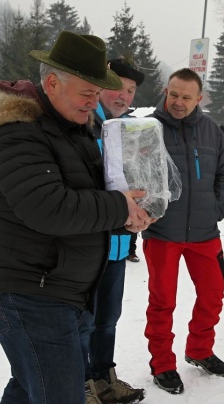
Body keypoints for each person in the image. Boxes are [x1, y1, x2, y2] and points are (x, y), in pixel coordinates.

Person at [0, 31, 154, 404]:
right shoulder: (17, 133)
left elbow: (88, 198)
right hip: (29, 291)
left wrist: (125, 215)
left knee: (28, 385)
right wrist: (118, 207)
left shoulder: (73, 130)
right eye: (88, 93)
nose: (94, 103)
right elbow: (48, 208)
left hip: (63, 290)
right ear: (53, 83)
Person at [143, 68, 224, 394]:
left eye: (186, 97)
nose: (178, 102)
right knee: (163, 301)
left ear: (199, 99)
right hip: (163, 233)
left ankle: (199, 350)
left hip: (205, 233)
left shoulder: (211, 131)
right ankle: (163, 364)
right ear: (166, 91)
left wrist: (218, 207)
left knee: (212, 296)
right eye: (173, 94)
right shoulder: (149, 129)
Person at [83, 57, 146, 404]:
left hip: (119, 240)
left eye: (131, 90)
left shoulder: (130, 131)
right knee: (84, 320)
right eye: (117, 86)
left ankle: (104, 378)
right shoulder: (85, 126)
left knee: (108, 317)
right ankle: (82, 384)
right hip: (88, 241)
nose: (124, 95)